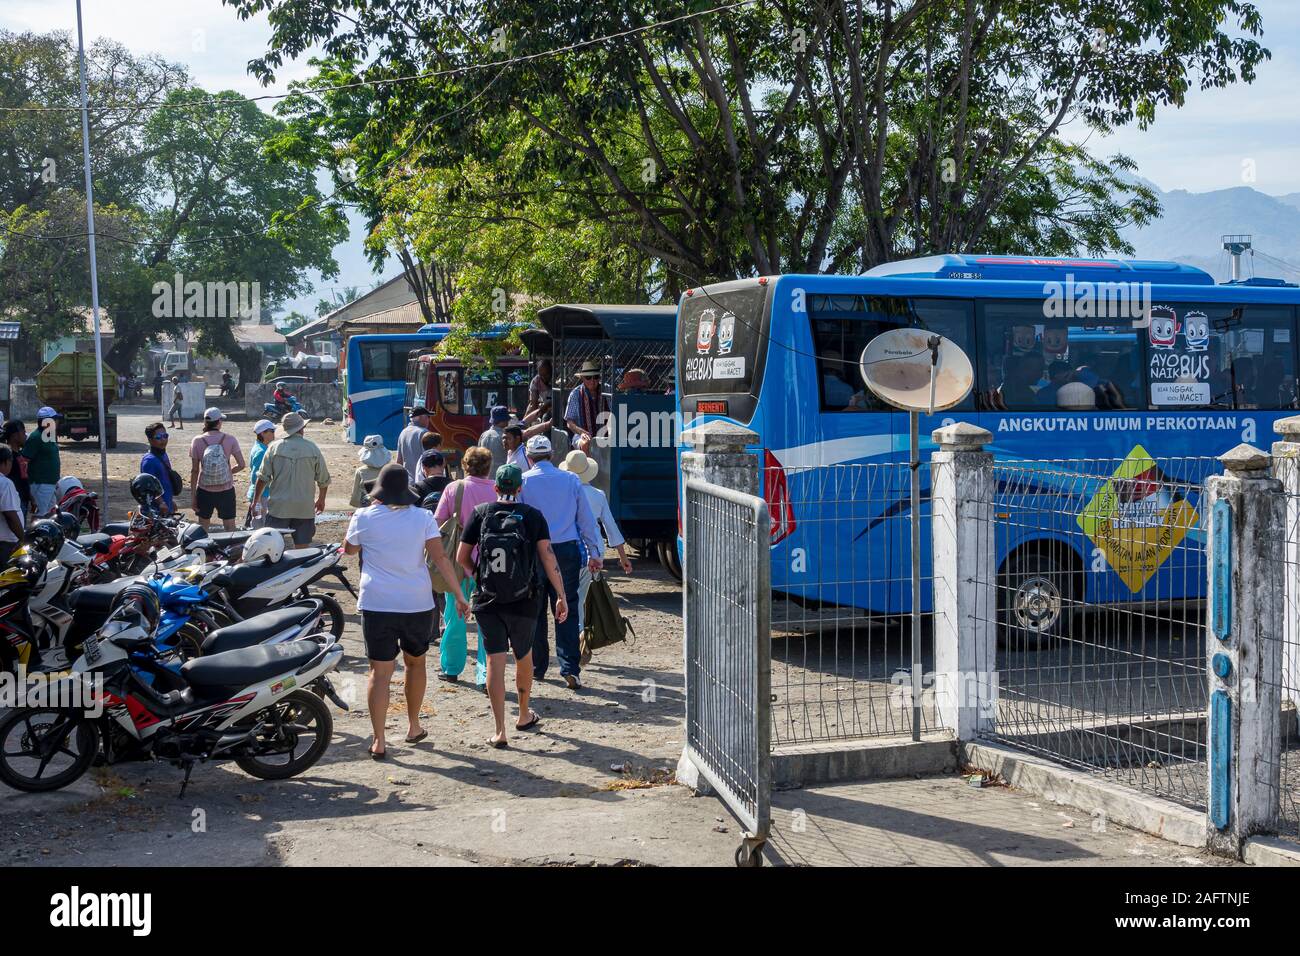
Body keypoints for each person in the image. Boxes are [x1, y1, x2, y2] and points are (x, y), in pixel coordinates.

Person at [344, 463, 469, 759]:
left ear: (379, 492)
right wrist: (459, 594)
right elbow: (440, 558)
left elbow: (348, 550)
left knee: (380, 672)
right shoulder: (423, 517)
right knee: (416, 664)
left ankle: (379, 739)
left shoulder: (363, 517)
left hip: (376, 603)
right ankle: (413, 725)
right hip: (416, 602)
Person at [458, 463, 569, 748]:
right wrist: (560, 594)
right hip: (525, 598)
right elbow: (547, 556)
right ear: (520, 488)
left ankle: (499, 730)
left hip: (488, 599)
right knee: (524, 656)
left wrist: (479, 575)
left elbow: (462, 556)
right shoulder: (532, 516)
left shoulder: (481, 513)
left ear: (495, 487)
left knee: (495, 661)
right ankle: (522, 714)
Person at [518, 434, 601, 689]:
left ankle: (538, 666)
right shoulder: (571, 480)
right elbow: (586, 520)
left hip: (535, 550)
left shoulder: (523, 482)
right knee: (568, 606)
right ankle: (570, 668)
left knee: (536, 608)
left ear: (530, 458)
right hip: (566, 549)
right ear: (552, 455)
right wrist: (594, 552)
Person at [432, 446, 499, 686]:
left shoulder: (454, 488)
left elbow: (438, 522)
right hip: (490, 564)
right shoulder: (496, 489)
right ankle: (484, 675)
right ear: (488, 466)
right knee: (487, 623)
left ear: (464, 465)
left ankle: (451, 667)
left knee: (454, 616)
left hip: (457, 562)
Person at [559, 450, 633, 633]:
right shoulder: (598, 495)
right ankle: (579, 635)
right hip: (593, 553)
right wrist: (623, 556)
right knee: (582, 597)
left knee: (567, 595)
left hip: (566, 548)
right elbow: (610, 527)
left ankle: (573, 635)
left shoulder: (561, 493)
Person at [254, 412, 331, 546]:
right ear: (302, 429)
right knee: (302, 549)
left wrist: (255, 501)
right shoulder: (312, 448)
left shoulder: (274, 447)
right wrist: (321, 499)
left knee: (271, 547)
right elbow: (323, 479)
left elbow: (262, 478)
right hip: (304, 508)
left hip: (278, 508)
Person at [188, 408, 245, 532]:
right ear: (219, 422)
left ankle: (203, 550)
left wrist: (193, 496)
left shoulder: (197, 441)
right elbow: (241, 464)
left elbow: (194, 470)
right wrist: (227, 472)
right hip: (226, 490)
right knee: (230, 528)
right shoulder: (230, 439)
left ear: (205, 422)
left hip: (204, 490)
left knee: (203, 528)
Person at [22, 406, 61, 518]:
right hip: (40, 483)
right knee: (40, 514)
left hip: (50, 483)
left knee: (51, 513)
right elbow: (24, 460)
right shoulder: (36, 437)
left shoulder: (49, 436)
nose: (57, 422)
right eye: (55, 419)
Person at [564, 360, 608, 453]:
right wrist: (582, 432)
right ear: (582, 378)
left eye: (595, 377)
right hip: (580, 435)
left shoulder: (607, 390)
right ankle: (590, 467)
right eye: (588, 377)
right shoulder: (575, 394)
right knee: (585, 443)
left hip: (606, 433)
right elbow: (569, 422)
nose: (592, 381)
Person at [140, 423, 177, 515]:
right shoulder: (149, 461)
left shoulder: (164, 455)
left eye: (165, 436)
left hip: (166, 505)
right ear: (150, 440)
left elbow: (165, 481)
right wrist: (161, 503)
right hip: (155, 510)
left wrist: (170, 501)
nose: (163, 440)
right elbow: (149, 486)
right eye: (158, 437)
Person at [245, 418, 277, 526]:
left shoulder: (260, 447)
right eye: (272, 431)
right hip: (261, 495)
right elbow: (256, 477)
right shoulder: (262, 451)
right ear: (263, 433)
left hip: (259, 494)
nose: (274, 433)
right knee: (260, 527)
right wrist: (256, 502)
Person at [350, 435, 391, 508]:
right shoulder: (390, 470)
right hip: (386, 507)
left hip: (367, 507)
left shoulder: (360, 471)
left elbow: (355, 495)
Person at [0, 447, 24, 566]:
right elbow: (10, 515)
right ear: (5, 462)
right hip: (5, 543)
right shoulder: (5, 483)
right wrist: (23, 538)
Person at [2, 421, 31, 518]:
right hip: (15, 503)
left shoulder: (18, 454)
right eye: (23, 433)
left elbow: (23, 479)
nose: (25, 436)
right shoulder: (7, 458)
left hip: (22, 500)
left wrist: (31, 497)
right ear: (15, 436)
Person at [396, 406, 432, 482]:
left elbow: (399, 461)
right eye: (428, 417)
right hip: (422, 481)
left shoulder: (403, 432)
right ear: (421, 418)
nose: (429, 420)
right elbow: (429, 458)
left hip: (408, 481)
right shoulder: (424, 432)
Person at [478, 405, 511, 471]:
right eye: (507, 420)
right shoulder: (504, 437)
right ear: (503, 421)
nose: (508, 422)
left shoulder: (483, 435)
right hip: (501, 476)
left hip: (485, 476)